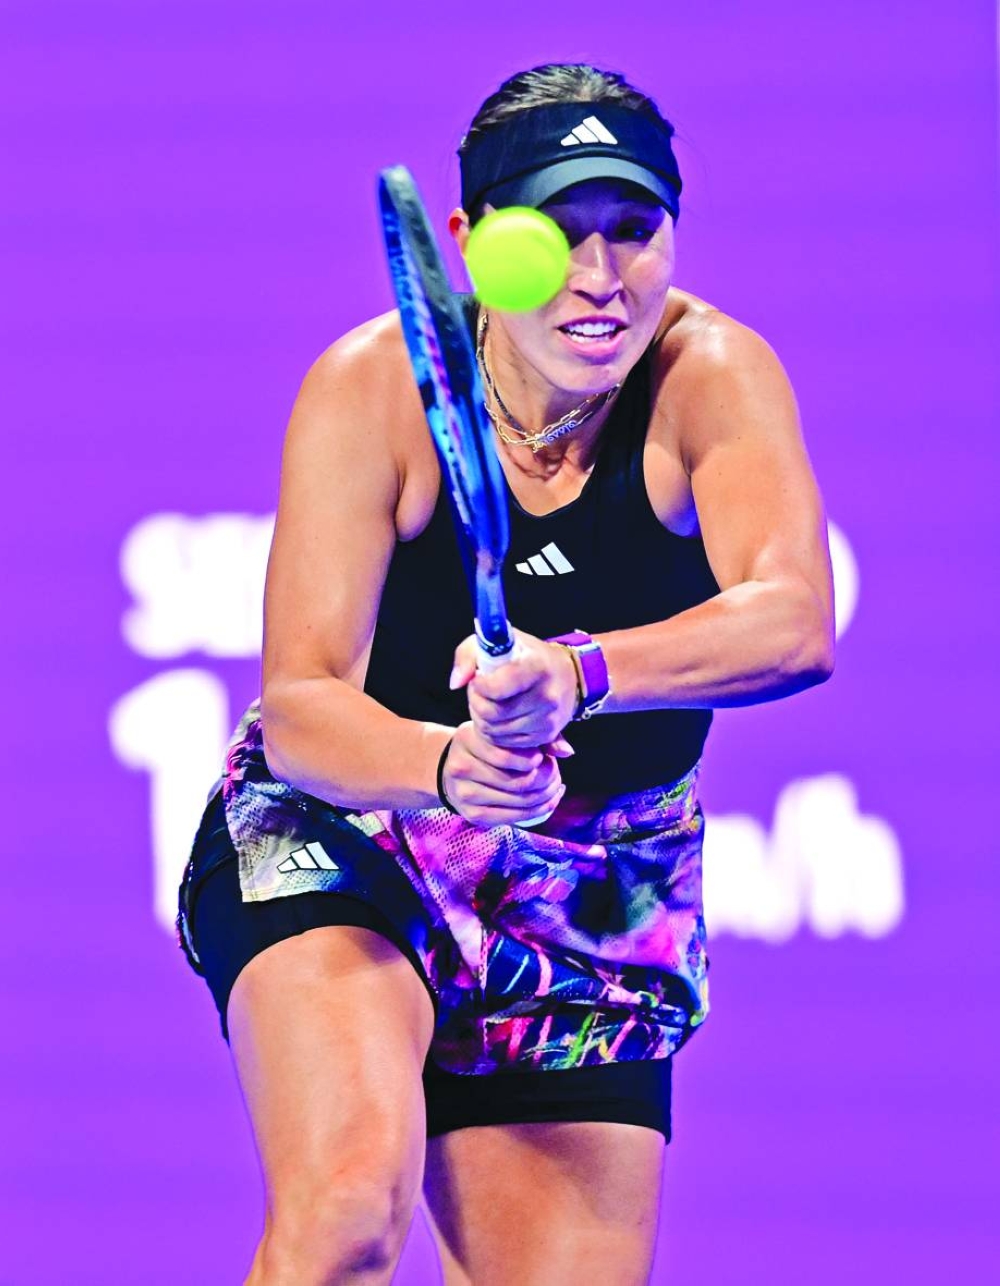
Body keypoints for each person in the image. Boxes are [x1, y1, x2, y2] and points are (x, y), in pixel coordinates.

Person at [177, 62, 834, 1285]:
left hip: (593, 881)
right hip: (356, 828)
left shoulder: (714, 377)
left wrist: (579, 671)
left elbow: (793, 621)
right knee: (343, 1216)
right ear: (474, 243)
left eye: (634, 230)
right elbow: (305, 708)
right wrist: (446, 762)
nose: (600, 278)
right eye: (552, 236)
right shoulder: (371, 389)